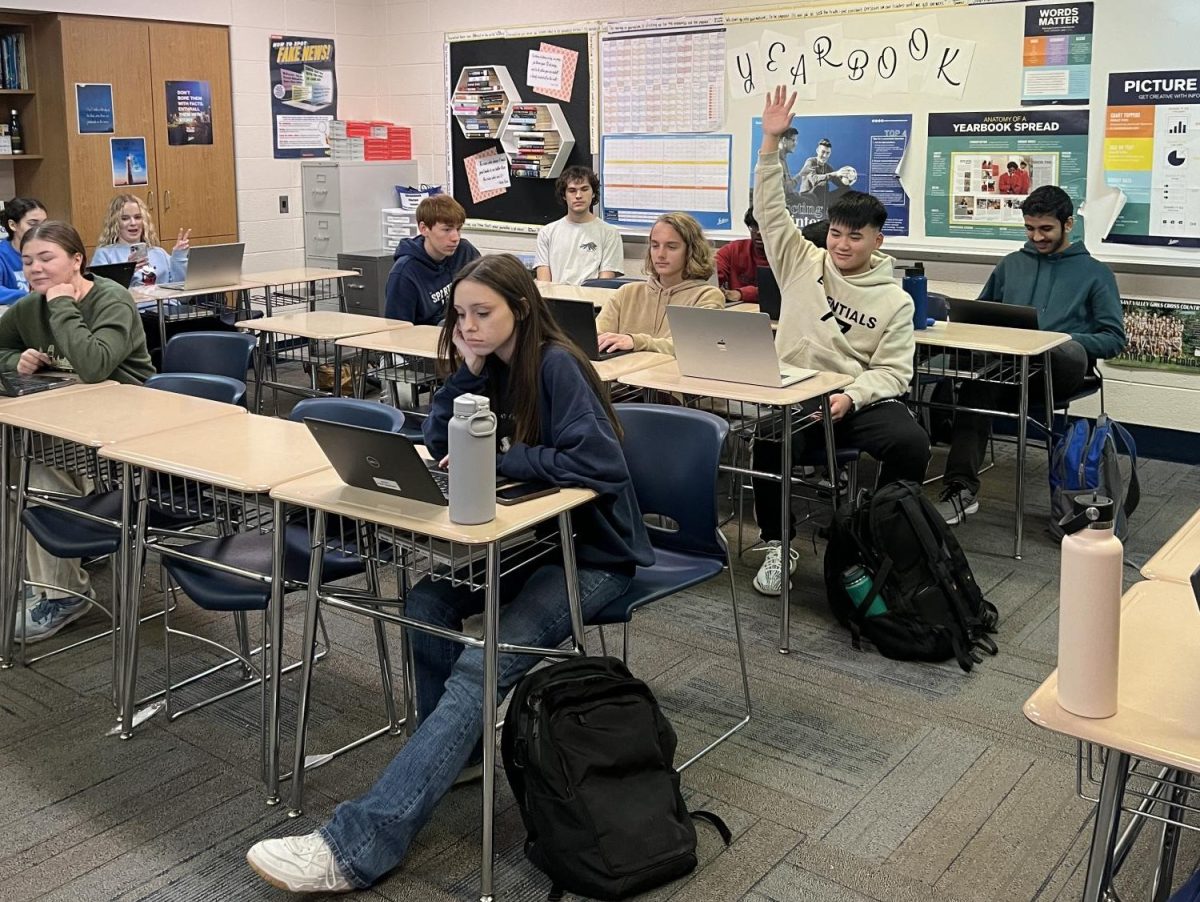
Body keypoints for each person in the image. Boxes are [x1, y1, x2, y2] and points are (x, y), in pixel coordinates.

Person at [245, 253, 653, 894]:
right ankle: (461, 753)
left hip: (594, 554)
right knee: (427, 602)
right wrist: (462, 378)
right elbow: (438, 443)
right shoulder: (486, 369)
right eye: (460, 314)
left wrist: (510, 454)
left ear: (519, 308)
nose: (467, 325)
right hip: (525, 543)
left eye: (481, 313)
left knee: (480, 664)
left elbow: (603, 464)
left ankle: (359, 845)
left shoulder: (556, 365)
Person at [750, 86, 930, 596]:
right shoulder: (799, 262)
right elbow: (769, 210)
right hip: (798, 396)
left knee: (912, 442)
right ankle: (776, 544)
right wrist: (770, 142)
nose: (841, 245)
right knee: (768, 442)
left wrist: (853, 395)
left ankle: (887, 533)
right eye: (835, 234)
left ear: (878, 239)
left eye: (855, 237)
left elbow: (895, 374)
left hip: (854, 401)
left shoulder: (895, 301)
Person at [0, 221, 154, 642]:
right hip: (67, 421)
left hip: (127, 430)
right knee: (12, 464)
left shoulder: (110, 299)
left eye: (46, 258)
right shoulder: (29, 307)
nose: (34, 268)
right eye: (28, 260)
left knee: (30, 472)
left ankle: (64, 593)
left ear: (76, 261)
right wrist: (15, 360)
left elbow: (94, 365)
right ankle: (33, 580)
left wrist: (61, 304)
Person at [936, 185, 1127, 524]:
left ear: (1068, 224)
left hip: (1059, 372)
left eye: (1045, 229)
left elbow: (1113, 339)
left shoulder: (1096, 273)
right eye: (1029, 228)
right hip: (1005, 370)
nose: (1036, 236)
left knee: (1063, 350)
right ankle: (960, 488)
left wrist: (1057, 339)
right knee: (974, 386)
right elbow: (980, 315)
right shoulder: (1011, 265)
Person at [594, 211, 724, 355]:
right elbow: (595, 336)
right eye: (655, 246)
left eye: (671, 247)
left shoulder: (706, 296)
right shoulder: (626, 292)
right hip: (624, 373)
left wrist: (636, 341)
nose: (660, 254)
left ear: (691, 251)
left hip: (670, 375)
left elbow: (693, 345)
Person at [385, 194, 480, 324]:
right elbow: (397, 330)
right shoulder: (404, 272)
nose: (455, 237)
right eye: (446, 229)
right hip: (424, 339)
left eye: (458, 229)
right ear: (424, 229)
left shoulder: (465, 251)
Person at [534, 165, 623, 285]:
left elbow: (604, 286)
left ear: (593, 193)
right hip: (555, 301)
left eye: (585, 189)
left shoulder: (610, 234)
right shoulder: (547, 233)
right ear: (564, 195)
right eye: (572, 190)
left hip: (593, 301)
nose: (578, 196)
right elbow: (543, 285)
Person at [92, 194, 190, 288]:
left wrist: (179, 257)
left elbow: (184, 297)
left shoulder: (159, 253)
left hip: (168, 305)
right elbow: (101, 296)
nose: (133, 223)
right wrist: (127, 272)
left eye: (138, 217)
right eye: (125, 218)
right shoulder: (105, 254)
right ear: (115, 223)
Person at [715, 206, 769, 304]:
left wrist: (741, 294)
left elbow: (781, 290)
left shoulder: (790, 255)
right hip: (739, 313)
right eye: (754, 226)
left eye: (765, 227)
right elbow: (711, 274)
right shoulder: (733, 250)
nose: (758, 232)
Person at [0, 197, 47, 306]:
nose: (40, 229)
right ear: (12, 225)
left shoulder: (51, 250)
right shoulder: (2, 254)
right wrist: (30, 296)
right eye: (33, 224)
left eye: (44, 224)